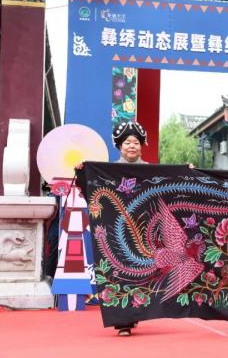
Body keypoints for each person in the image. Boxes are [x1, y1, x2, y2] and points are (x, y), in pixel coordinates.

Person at [78, 120, 149, 335]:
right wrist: (83, 172)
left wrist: (186, 171)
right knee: (118, 272)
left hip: (144, 230)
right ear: (119, 146)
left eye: (136, 142)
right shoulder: (108, 172)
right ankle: (123, 320)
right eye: (127, 142)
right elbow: (91, 191)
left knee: (141, 273)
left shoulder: (152, 170)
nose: (132, 146)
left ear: (141, 145)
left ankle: (136, 312)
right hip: (115, 230)